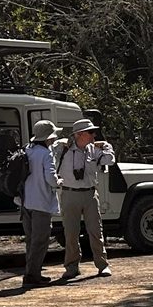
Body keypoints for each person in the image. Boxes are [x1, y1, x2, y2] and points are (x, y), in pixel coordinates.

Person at [55, 118, 116, 279]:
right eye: (90, 132)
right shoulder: (63, 148)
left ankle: (103, 265)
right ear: (79, 134)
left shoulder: (94, 149)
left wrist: (106, 146)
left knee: (96, 231)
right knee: (71, 233)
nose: (93, 135)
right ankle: (71, 267)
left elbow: (109, 160)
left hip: (89, 194)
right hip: (69, 193)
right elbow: (50, 159)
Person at [19, 120, 61, 289]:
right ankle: (32, 275)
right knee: (40, 240)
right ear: (47, 137)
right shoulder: (45, 154)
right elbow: (50, 178)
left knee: (31, 240)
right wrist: (59, 182)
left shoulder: (27, 149)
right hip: (41, 202)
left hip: (25, 201)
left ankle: (31, 272)